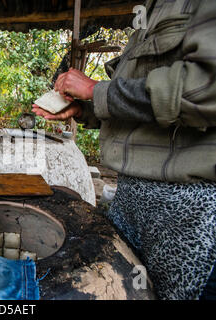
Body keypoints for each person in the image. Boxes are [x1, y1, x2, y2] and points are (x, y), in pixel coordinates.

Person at [33, 0, 216, 300]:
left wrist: (96, 90)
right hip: (131, 196)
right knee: (129, 292)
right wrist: (84, 109)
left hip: (188, 207)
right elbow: (139, 104)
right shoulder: (149, 11)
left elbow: (205, 89)